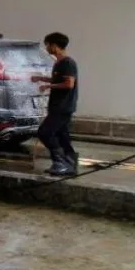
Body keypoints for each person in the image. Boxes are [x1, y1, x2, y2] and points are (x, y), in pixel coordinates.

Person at [31, 32, 79, 176]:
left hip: (63, 106)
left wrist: (48, 87)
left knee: (45, 132)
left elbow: (69, 84)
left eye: (48, 44)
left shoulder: (68, 62)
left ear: (54, 45)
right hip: (57, 105)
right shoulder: (59, 63)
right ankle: (70, 164)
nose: (46, 47)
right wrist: (42, 78)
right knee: (62, 136)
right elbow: (59, 80)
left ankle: (60, 162)